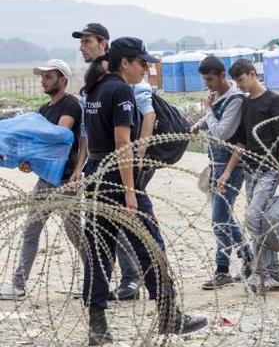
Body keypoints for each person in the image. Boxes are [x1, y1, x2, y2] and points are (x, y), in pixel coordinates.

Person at [81, 37, 207, 344]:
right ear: (125, 62)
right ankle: (169, 316)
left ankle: (97, 326)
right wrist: (130, 192)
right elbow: (123, 143)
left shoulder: (94, 90)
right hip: (118, 178)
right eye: (142, 63)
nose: (146, 68)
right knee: (151, 246)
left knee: (99, 251)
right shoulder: (121, 90)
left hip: (96, 175)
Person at [0, 59, 85, 300]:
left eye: (49, 76)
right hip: (45, 180)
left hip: (66, 181)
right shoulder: (43, 111)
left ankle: (95, 276)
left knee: (75, 234)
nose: (43, 80)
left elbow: (56, 140)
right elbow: (36, 146)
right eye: (43, 76)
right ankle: (18, 284)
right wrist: (25, 161)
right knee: (31, 231)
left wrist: (30, 149)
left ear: (63, 80)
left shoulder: (71, 105)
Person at [73, 23, 142, 301]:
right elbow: (99, 135)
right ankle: (166, 308)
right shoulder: (102, 84)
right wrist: (82, 167)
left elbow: (114, 135)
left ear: (104, 45)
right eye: (82, 42)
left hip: (106, 169)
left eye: (87, 41)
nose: (82, 47)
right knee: (134, 236)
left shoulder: (104, 83)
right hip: (107, 169)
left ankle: (99, 302)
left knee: (105, 238)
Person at [217, 59, 279, 293]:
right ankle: (272, 274)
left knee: (253, 218)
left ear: (252, 74)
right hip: (251, 171)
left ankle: (262, 271)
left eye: (241, 80)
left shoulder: (276, 101)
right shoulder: (246, 105)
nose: (239, 85)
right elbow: (241, 142)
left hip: (269, 170)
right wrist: (227, 172)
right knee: (259, 221)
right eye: (236, 82)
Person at [190, 56, 252, 289]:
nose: (208, 84)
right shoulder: (217, 97)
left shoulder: (235, 100)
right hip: (216, 166)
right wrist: (198, 124)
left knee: (219, 219)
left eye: (210, 79)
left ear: (222, 76)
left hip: (231, 168)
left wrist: (208, 110)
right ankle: (246, 255)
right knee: (223, 216)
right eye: (205, 80)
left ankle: (222, 269)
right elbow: (210, 121)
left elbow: (222, 133)